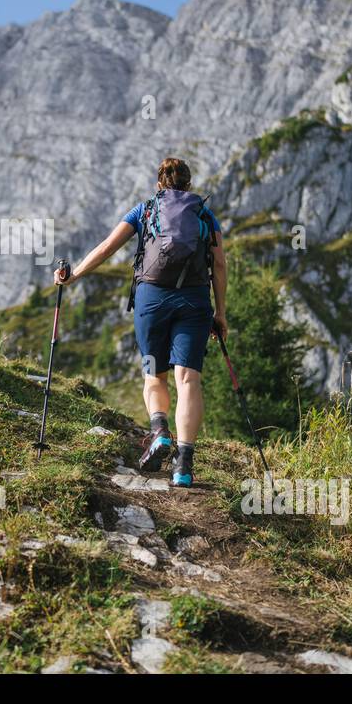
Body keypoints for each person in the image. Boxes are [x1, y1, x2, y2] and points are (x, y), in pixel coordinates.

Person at [54, 157, 227, 487]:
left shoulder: (146, 210)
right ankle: (184, 465)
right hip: (194, 302)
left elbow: (106, 248)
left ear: (159, 183)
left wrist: (72, 275)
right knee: (188, 379)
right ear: (189, 185)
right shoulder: (204, 214)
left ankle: (160, 430)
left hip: (151, 301)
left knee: (154, 374)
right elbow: (219, 265)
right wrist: (220, 313)